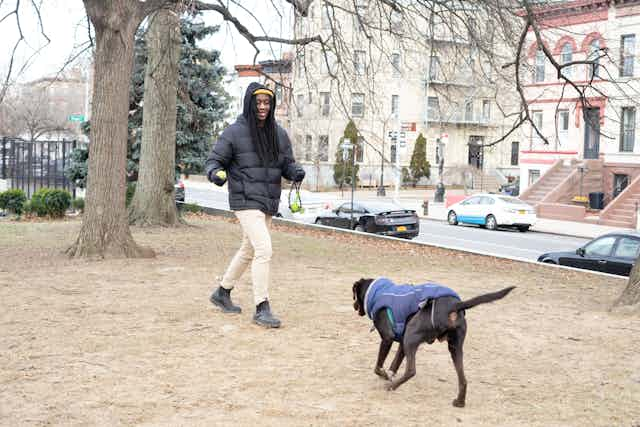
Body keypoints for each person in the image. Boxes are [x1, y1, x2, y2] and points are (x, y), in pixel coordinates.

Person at [205, 82, 305, 328]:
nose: (262, 107)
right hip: (244, 199)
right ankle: (262, 307)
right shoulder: (233, 132)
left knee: (248, 250)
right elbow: (214, 161)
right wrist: (216, 173)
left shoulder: (278, 134)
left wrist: (295, 172)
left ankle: (222, 292)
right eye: (258, 103)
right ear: (249, 103)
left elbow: (286, 164)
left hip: (267, 200)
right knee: (264, 249)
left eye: (266, 103)